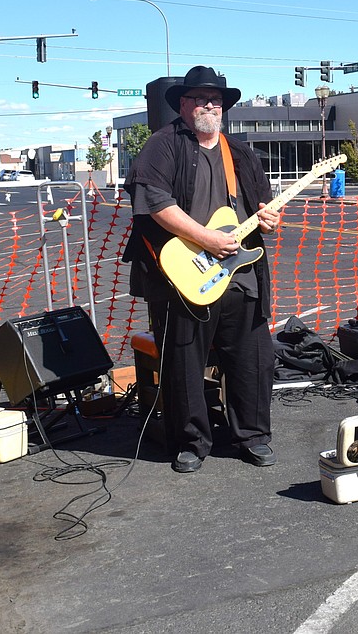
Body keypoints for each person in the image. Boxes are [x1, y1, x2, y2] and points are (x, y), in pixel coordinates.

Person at [122, 66, 281, 473]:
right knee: (183, 365)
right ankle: (192, 441)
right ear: (183, 105)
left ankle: (253, 437)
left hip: (240, 276)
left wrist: (268, 218)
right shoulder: (163, 145)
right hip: (183, 278)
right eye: (198, 99)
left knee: (252, 360)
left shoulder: (239, 153)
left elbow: (262, 205)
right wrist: (206, 239)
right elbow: (156, 202)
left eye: (215, 100)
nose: (208, 106)